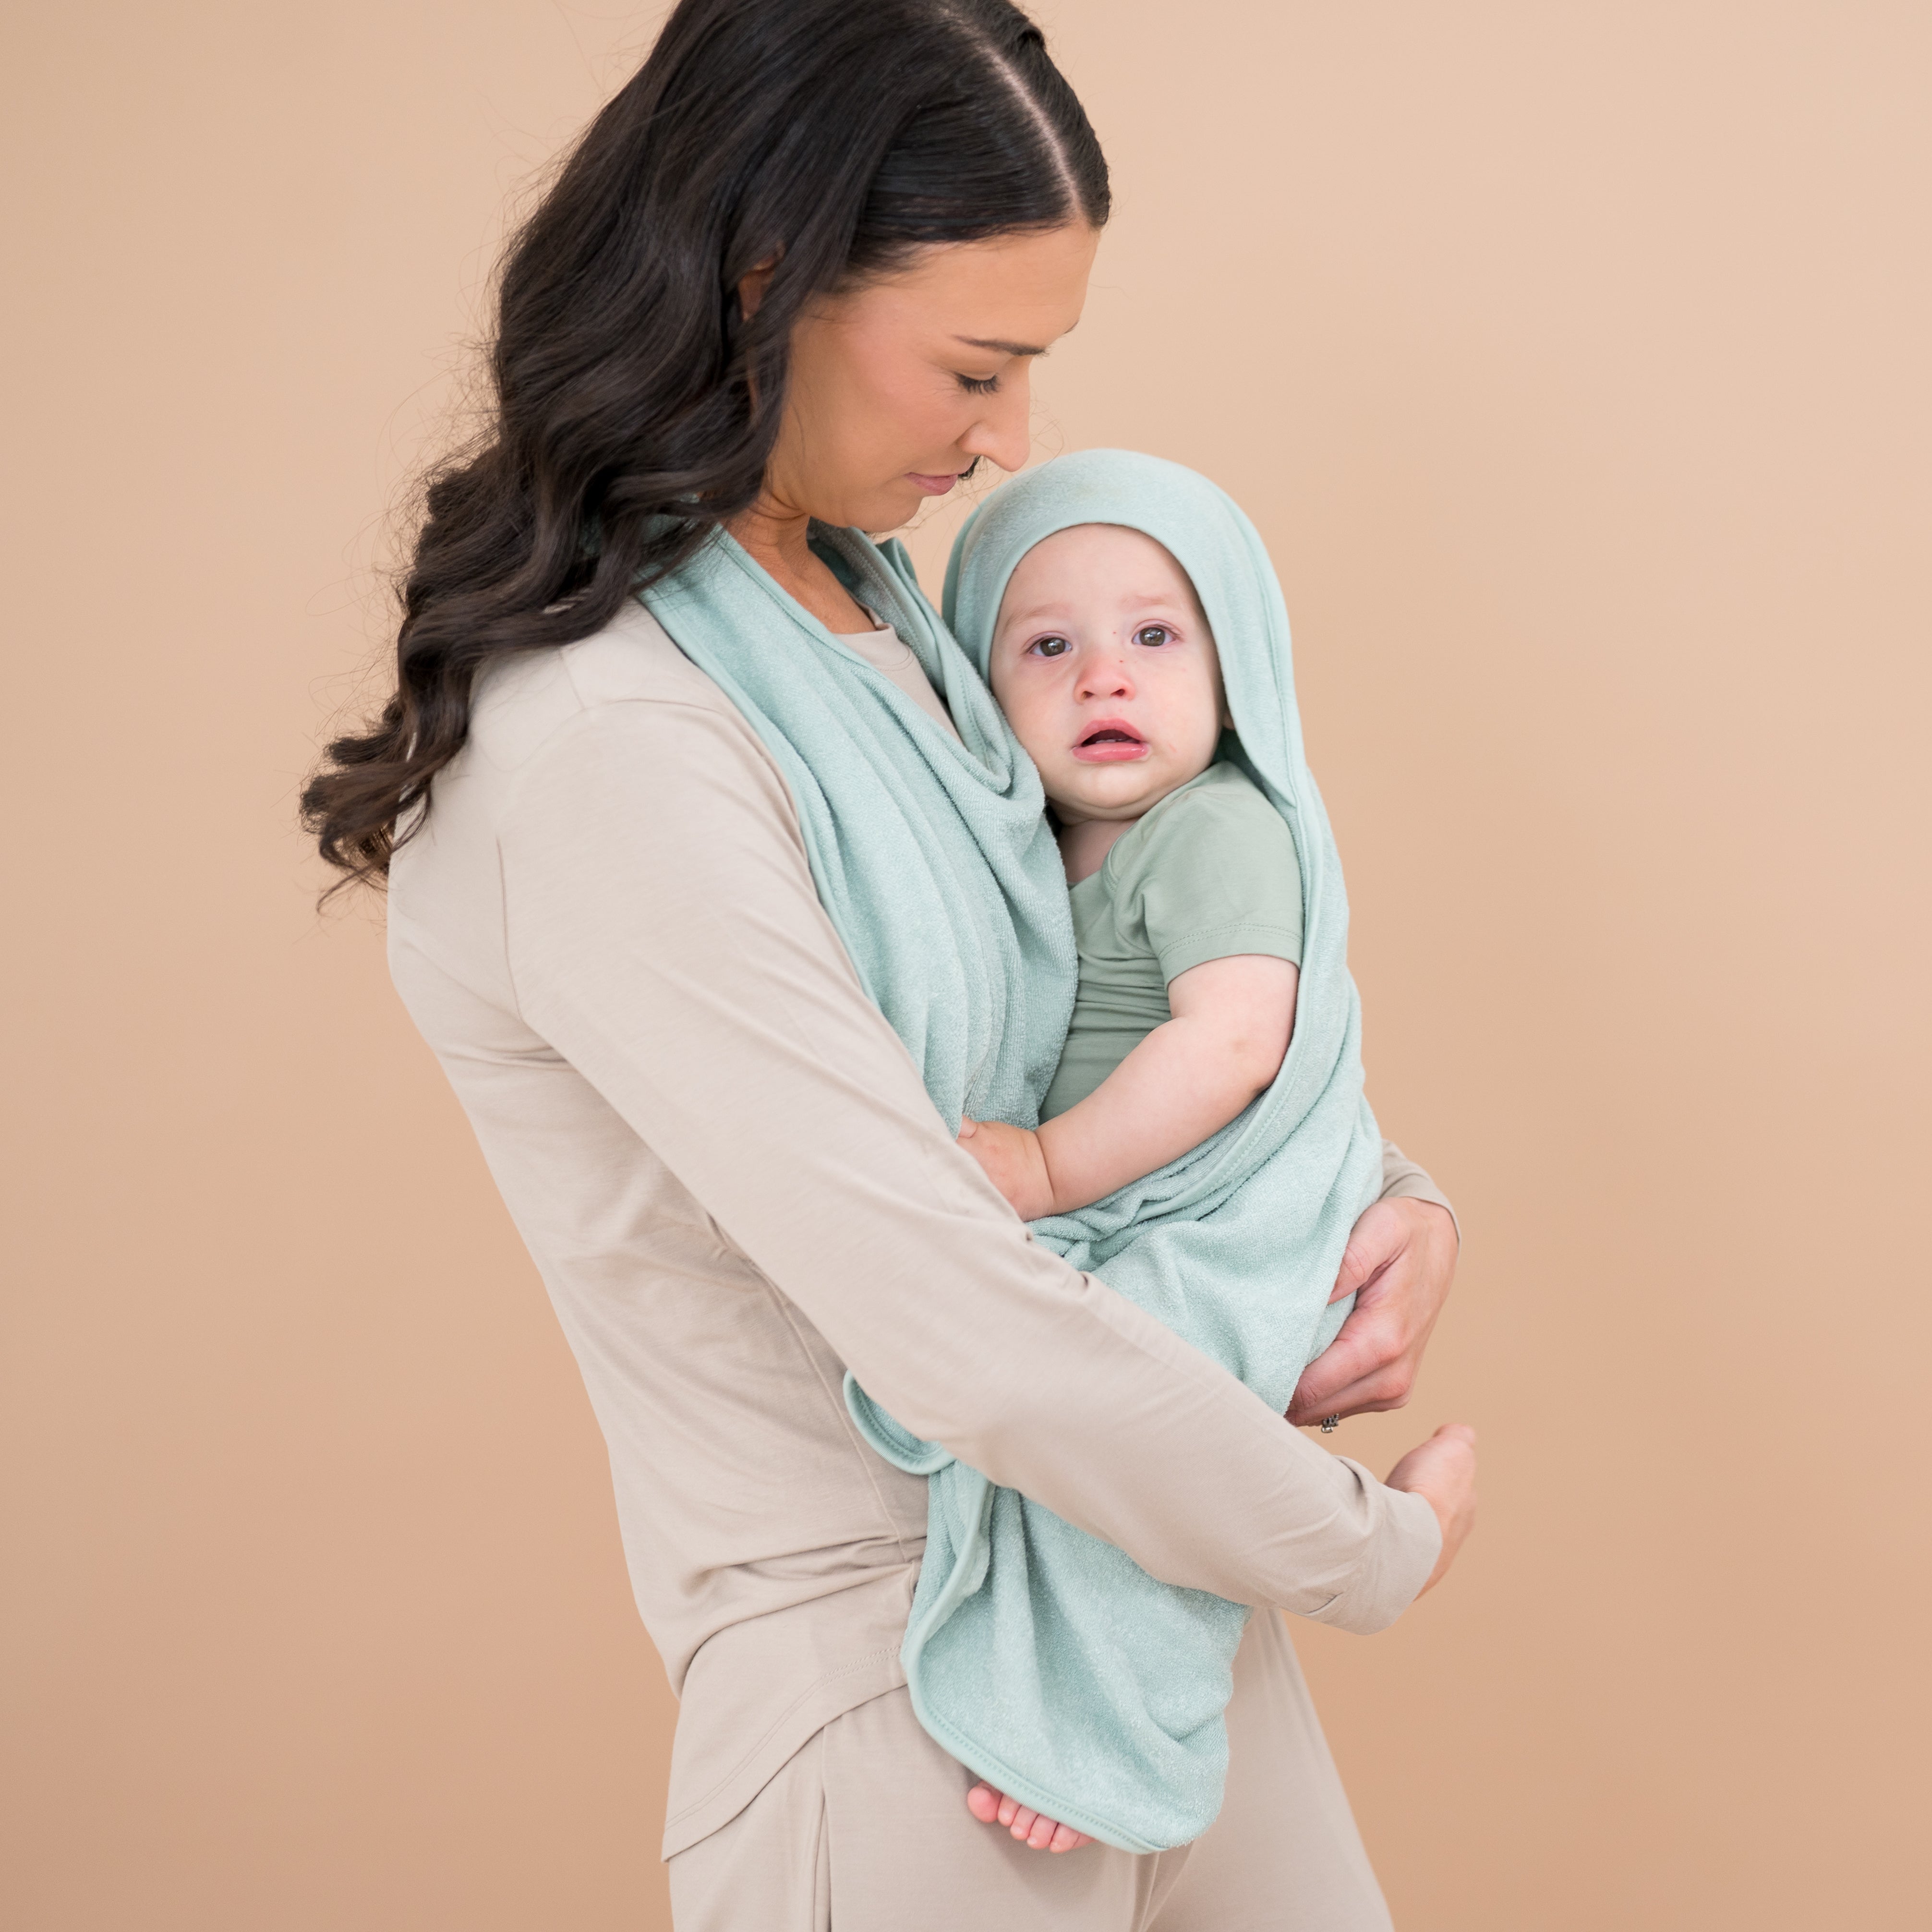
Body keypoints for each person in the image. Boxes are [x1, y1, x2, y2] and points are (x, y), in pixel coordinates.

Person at [302, 2, 1474, 1925]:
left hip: (1144, 1620)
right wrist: (1360, 1547)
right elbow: (947, 1309)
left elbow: (1101, 991)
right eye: (976, 369)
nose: (1009, 441)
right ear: (764, 278)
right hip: (901, 1703)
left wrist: (1384, 1199)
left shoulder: (873, 614)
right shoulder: (609, 741)